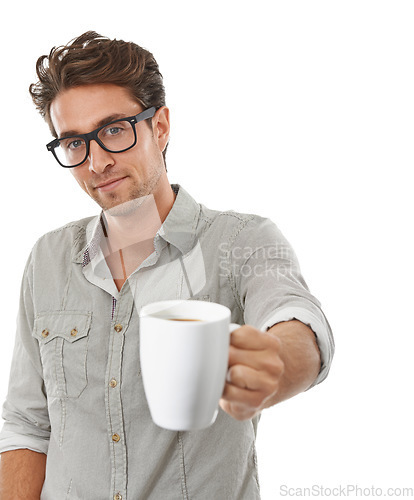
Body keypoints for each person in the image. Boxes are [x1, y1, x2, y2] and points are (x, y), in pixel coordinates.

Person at [0, 31, 334, 499]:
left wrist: (272, 363)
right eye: (74, 142)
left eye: (114, 129)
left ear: (160, 127)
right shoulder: (47, 259)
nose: (95, 162)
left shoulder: (242, 241)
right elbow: (28, 425)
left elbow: (298, 322)